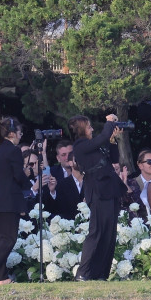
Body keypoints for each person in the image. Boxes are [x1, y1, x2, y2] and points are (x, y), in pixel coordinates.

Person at [69, 114, 123, 281]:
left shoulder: (93, 145)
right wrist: (109, 122)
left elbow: (113, 158)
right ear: (81, 130)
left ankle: (101, 273)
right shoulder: (80, 146)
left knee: (109, 233)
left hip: (109, 188)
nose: (92, 129)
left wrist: (113, 140)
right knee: (97, 231)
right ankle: (83, 272)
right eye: (88, 126)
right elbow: (101, 138)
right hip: (98, 191)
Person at [0, 117, 30, 285]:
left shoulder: (0, 149)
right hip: (9, 200)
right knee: (9, 238)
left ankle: (1, 278)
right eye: (19, 132)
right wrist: (28, 179)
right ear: (11, 133)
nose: (20, 135)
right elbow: (18, 175)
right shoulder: (13, 150)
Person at [43, 148, 83, 221]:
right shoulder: (62, 184)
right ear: (70, 163)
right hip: (69, 226)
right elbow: (55, 208)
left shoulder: (91, 183)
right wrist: (52, 192)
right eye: (77, 159)